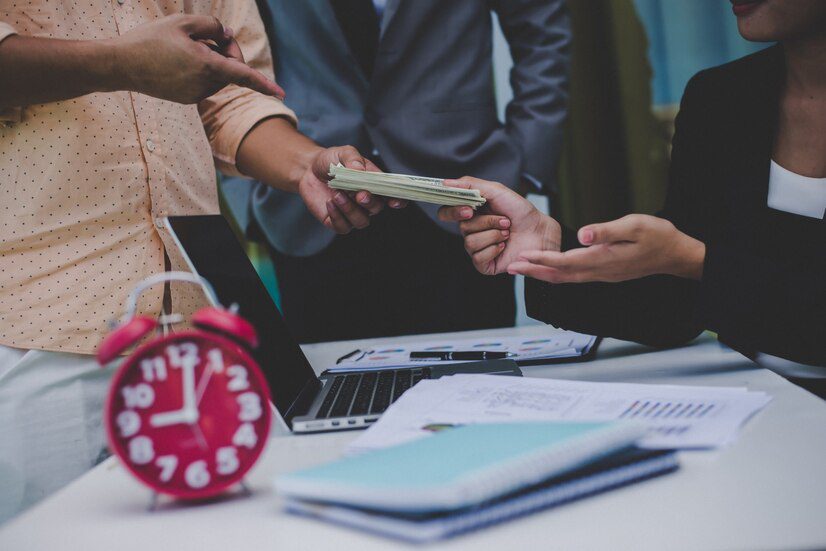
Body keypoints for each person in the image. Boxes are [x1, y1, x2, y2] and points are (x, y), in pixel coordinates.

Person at [0, 1, 394, 522]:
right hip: (38, 326)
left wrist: (304, 164)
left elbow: (230, 99)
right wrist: (120, 62)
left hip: (201, 328)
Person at [440, 0, 826, 371]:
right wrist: (550, 246)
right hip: (763, 401)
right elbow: (676, 307)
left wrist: (696, 261)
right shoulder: (722, 98)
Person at [221, 0, 571, 343]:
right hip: (311, 205)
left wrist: (525, 167)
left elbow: (541, 28)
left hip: (461, 200)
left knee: (476, 383)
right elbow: (222, 52)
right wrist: (245, 193)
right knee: (333, 394)